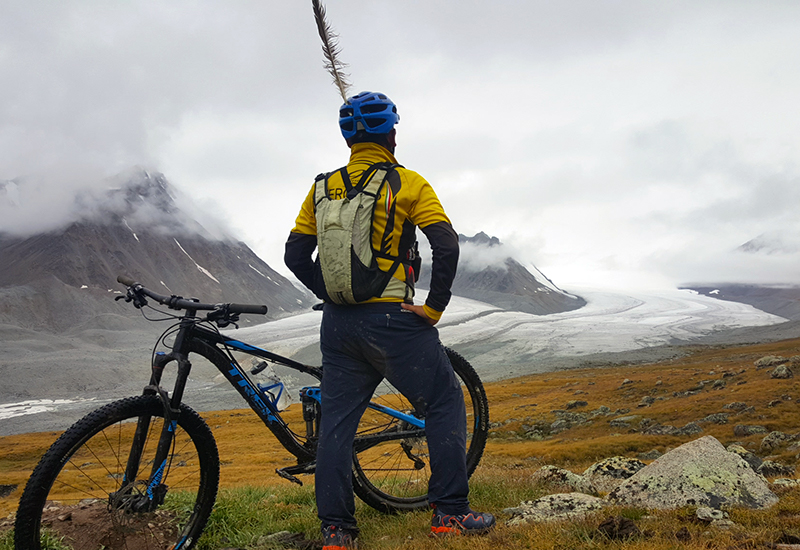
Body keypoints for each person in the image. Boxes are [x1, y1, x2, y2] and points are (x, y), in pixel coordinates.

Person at [285, 91, 495, 549]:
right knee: (441, 402)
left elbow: (295, 254)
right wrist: (433, 309)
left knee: (338, 425)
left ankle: (338, 534)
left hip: (338, 326)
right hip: (393, 321)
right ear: (392, 133)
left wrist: (330, 293)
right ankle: (450, 515)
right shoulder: (409, 183)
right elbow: (447, 244)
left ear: (348, 138)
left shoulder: (322, 188)